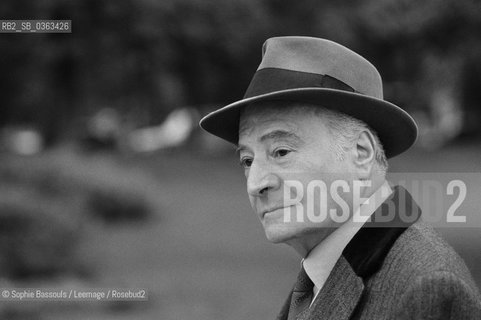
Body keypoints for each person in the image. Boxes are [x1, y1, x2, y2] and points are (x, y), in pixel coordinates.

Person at [199, 36, 481, 319]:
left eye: (281, 151)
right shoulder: (321, 273)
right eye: (247, 160)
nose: (256, 183)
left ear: (361, 152)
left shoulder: (427, 289)